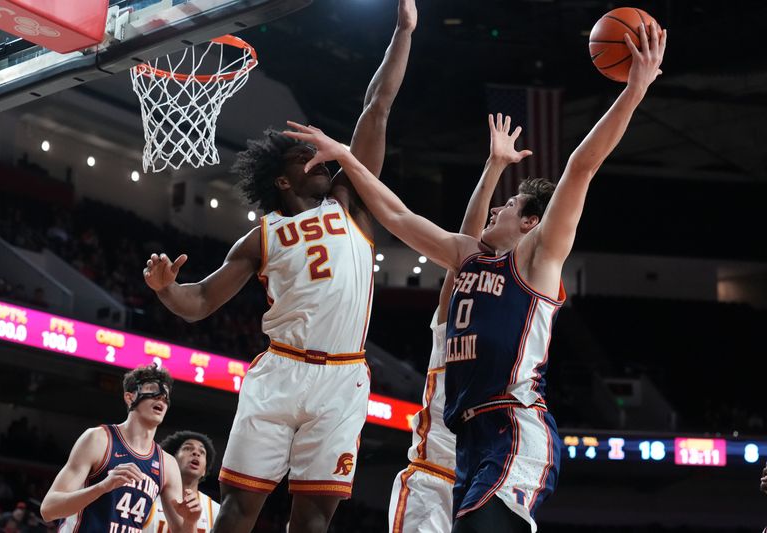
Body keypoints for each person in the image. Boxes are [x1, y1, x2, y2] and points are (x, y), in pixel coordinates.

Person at [285, 21, 666, 532]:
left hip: (513, 426)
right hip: (468, 439)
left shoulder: (537, 261)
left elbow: (580, 167)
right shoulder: (466, 256)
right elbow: (398, 217)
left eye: (507, 205)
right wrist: (348, 158)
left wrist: (634, 91)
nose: (495, 211)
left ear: (530, 223)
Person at [142, 1, 417, 531]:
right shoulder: (260, 237)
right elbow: (199, 302)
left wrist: (403, 32)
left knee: (316, 512)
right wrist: (165, 290)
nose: (320, 158)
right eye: (303, 158)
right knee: (242, 503)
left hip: (341, 376)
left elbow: (376, 108)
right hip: (280, 370)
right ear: (284, 182)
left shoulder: (352, 205)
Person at [388, 115, 531, 532]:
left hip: (491, 478)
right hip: (434, 478)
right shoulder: (460, 315)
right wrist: (494, 167)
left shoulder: (523, 310)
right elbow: (464, 250)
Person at [40, 364, 200, 532]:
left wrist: (190, 521)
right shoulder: (99, 439)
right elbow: (48, 509)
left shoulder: (167, 463)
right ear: (130, 397)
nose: (161, 397)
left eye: (165, 394)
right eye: (152, 390)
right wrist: (103, 487)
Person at [145, 431, 219, 533]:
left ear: (204, 470)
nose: (196, 453)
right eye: (187, 448)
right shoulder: (148, 496)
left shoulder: (216, 511)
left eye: (202, 452)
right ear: (172, 459)